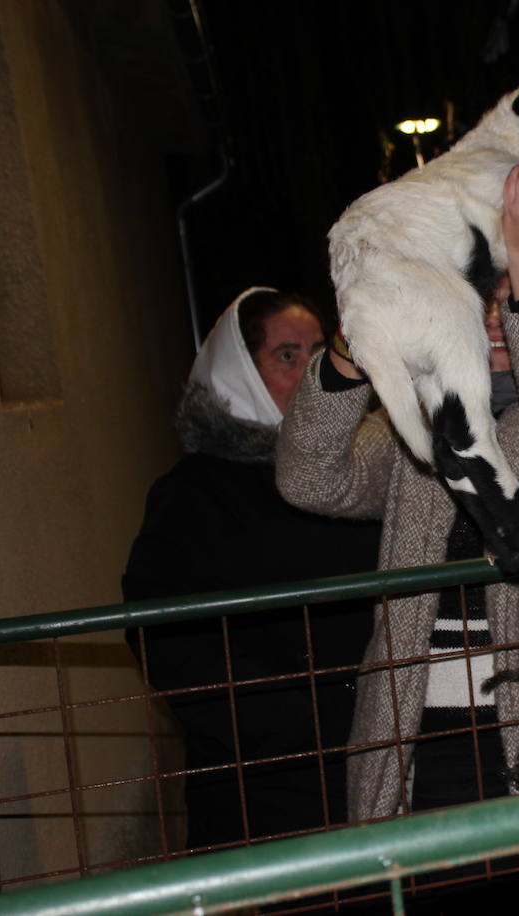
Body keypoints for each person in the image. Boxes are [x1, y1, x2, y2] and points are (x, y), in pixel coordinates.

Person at [275, 163, 519, 912]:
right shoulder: (414, 429)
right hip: (423, 755)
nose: (491, 316)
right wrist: (354, 348)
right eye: (472, 298)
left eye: (504, 301)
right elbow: (309, 478)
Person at [123, 287, 381, 852]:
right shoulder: (194, 494)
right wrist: (276, 725)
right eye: (286, 355)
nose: (309, 370)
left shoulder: (363, 472)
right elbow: (163, 633)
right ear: (238, 370)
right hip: (267, 781)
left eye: (320, 352)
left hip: (377, 761)